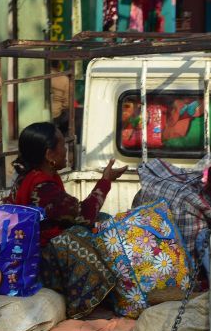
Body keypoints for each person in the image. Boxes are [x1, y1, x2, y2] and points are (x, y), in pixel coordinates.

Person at [8, 122, 127, 317]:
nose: (66, 150)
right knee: (77, 239)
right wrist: (106, 180)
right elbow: (86, 213)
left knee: (101, 222)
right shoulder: (43, 188)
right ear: (49, 155)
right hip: (37, 261)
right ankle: (83, 304)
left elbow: (76, 213)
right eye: (62, 145)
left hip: (32, 250)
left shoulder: (31, 177)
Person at [50, 60, 71, 135]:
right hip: (57, 113)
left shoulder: (43, 75)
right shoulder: (64, 78)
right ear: (59, 65)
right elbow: (67, 102)